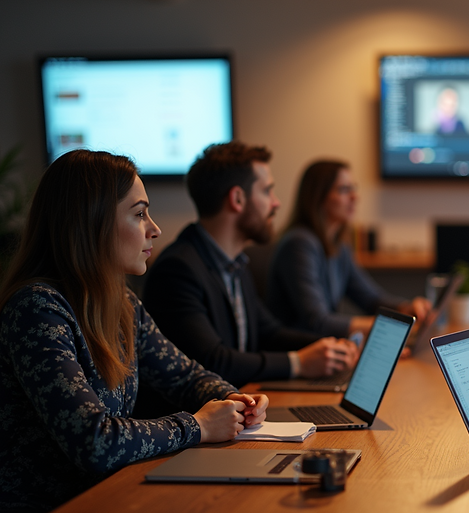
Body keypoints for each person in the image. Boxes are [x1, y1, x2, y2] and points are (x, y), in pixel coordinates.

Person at [0, 150, 267, 511]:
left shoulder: (123, 305)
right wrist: (197, 426)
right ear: (91, 223)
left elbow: (184, 377)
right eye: (139, 214)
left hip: (107, 496)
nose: (155, 228)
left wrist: (233, 400)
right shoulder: (37, 309)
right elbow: (95, 441)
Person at [142, 142, 357, 393]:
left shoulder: (237, 264)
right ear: (237, 199)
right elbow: (212, 361)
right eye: (267, 191)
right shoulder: (178, 269)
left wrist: (334, 347)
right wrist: (298, 363)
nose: (276, 204)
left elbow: (269, 333)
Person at [267, 160, 430, 338]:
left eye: (354, 188)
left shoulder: (338, 246)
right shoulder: (299, 244)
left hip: (326, 348)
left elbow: (371, 299)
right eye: (344, 190)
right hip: (302, 352)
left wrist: (407, 308)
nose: (354, 197)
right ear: (318, 197)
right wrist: (394, 325)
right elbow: (318, 322)